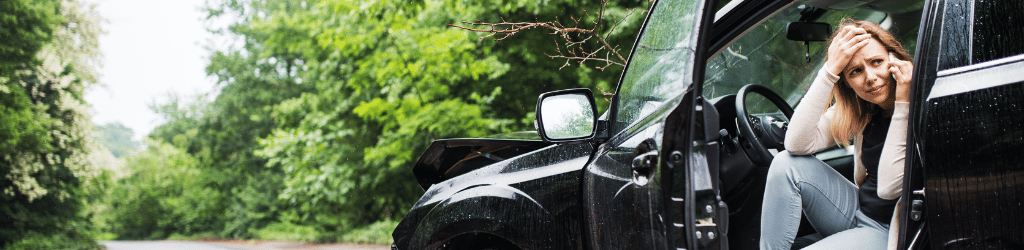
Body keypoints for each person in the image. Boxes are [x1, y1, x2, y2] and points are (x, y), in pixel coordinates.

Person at [759, 19, 913, 250]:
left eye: (877, 62)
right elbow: (796, 143)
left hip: (891, 229)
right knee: (785, 163)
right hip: (858, 211)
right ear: (847, 83)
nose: (870, 77)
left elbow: (888, 188)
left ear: (894, 60)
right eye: (855, 71)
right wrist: (830, 70)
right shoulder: (865, 109)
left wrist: (904, 103)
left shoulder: (921, 107)